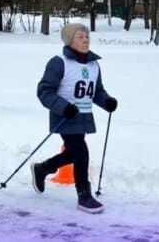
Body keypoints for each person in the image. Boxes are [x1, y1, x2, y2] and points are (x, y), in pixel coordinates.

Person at [30, 23, 117, 214]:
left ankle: (43, 169)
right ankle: (84, 196)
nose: (85, 40)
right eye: (80, 37)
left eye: (87, 37)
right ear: (70, 41)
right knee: (81, 152)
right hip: (65, 117)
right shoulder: (58, 62)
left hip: (84, 117)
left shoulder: (93, 65)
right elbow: (44, 91)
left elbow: (96, 91)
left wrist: (107, 101)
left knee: (74, 152)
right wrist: (63, 107)